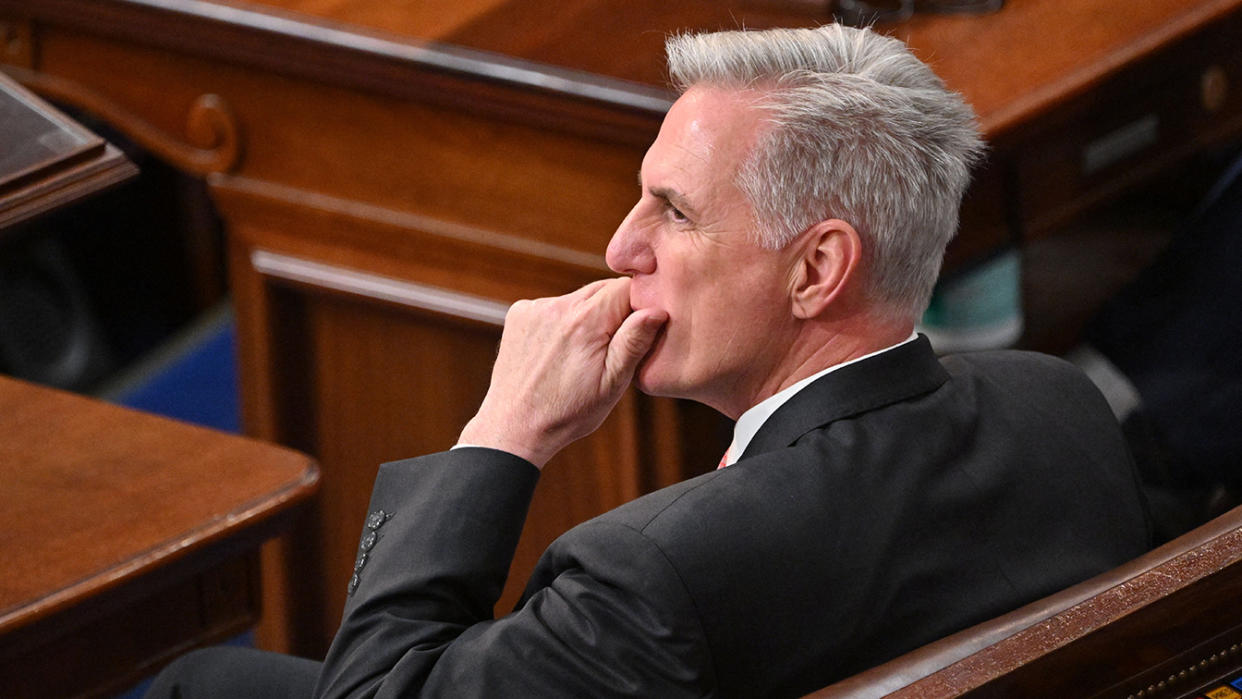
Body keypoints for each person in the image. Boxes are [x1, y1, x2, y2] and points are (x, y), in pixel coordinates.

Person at [147, 23, 1150, 699]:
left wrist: (501, 433)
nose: (622, 250)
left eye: (672, 211)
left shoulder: (660, 573)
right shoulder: (1060, 409)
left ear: (816, 270)